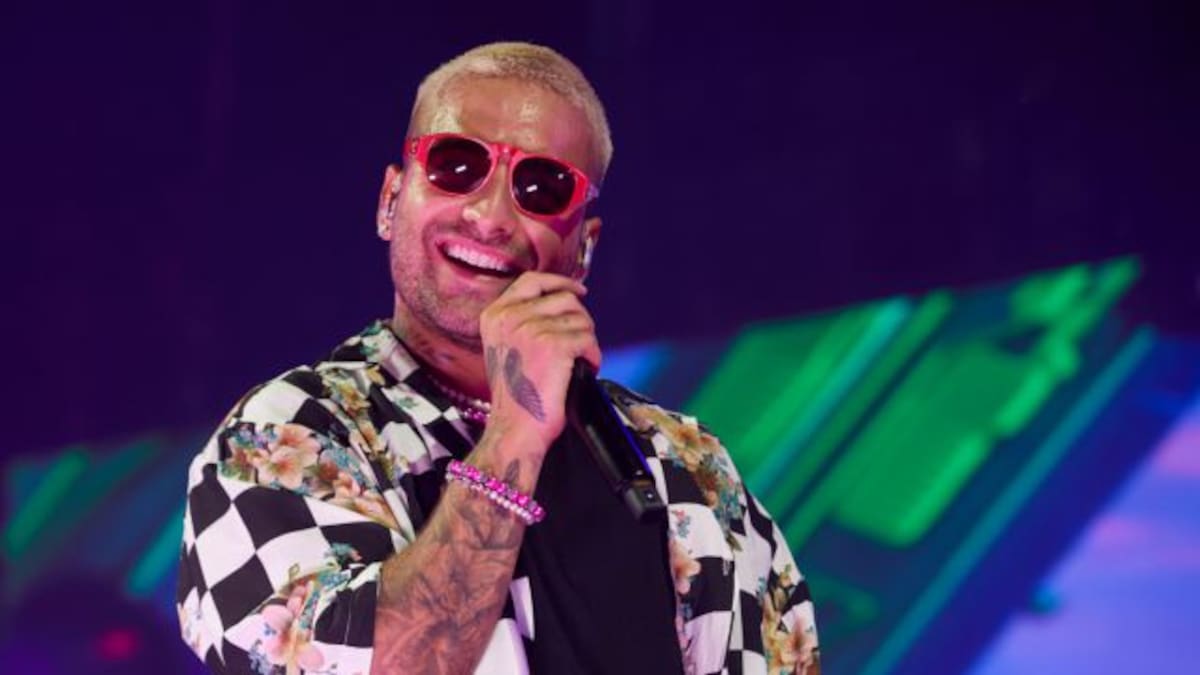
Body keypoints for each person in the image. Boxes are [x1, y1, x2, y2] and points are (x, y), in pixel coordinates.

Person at [176, 41, 819, 675]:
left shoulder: (682, 463)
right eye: (456, 166)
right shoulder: (284, 435)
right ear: (390, 201)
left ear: (584, 249)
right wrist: (515, 436)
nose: (490, 216)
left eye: (542, 187)